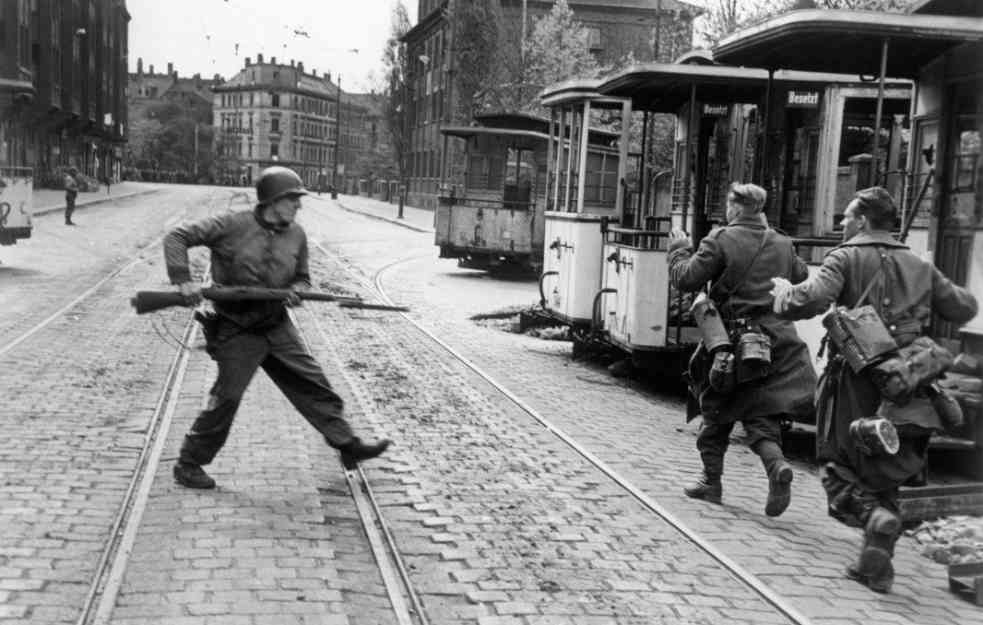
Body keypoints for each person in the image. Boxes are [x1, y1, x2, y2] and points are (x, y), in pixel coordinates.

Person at [771, 186, 977, 593]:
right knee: (889, 466)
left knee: (838, 462)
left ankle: (872, 520)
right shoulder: (918, 264)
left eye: (847, 217)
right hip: (911, 380)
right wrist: (925, 287)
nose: (842, 224)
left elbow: (812, 300)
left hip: (855, 381)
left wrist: (783, 296)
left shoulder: (844, 256)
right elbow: (964, 308)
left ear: (863, 220)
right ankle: (876, 563)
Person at [164, 165, 391, 489]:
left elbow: (302, 275)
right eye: (293, 200)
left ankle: (347, 445)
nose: (299, 206)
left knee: (314, 384)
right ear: (273, 200)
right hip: (236, 327)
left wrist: (298, 288)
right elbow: (177, 236)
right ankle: (188, 463)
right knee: (227, 398)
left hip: (276, 324)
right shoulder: (230, 224)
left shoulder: (296, 234)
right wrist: (182, 280)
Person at [668, 182, 817, 517]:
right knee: (759, 412)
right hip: (776, 341)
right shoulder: (781, 241)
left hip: (731, 343)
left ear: (736, 207)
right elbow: (801, 274)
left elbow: (686, 279)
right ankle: (776, 465)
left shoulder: (720, 239)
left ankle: (711, 481)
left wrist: (678, 249)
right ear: (760, 209)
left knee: (717, 407)